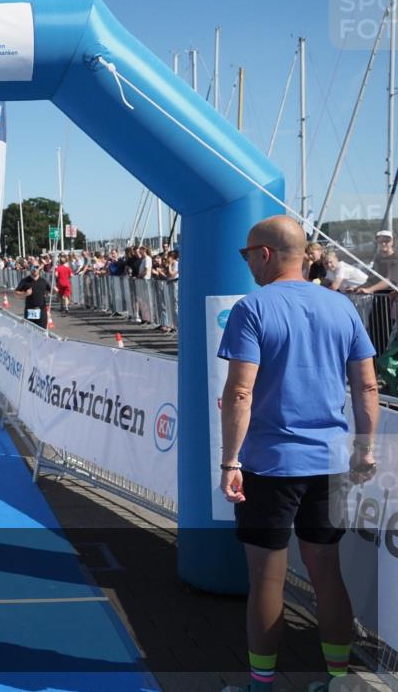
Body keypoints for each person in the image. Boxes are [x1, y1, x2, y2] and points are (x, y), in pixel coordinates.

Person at [217, 215, 378, 692]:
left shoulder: (253, 308)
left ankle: (261, 684)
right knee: (326, 570)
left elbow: (239, 393)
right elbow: (366, 384)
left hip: (270, 464)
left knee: (267, 577)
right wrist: (365, 450)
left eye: (247, 255)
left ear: (265, 254)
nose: (247, 263)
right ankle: (337, 680)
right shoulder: (342, 307)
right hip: (329, 461)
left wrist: (230, 460)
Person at [15, 263, 50, 328]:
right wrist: (25, 294)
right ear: (30, 268)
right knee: (30, 332)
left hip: (42, 311)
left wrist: (55, 290)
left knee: (42, 332)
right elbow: (16, 293)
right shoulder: (25, 281)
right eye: (32, 267)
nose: (35, 269)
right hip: (30, 310)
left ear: (39, 268)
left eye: (36, 267)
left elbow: (51, 291)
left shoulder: (43, 281)